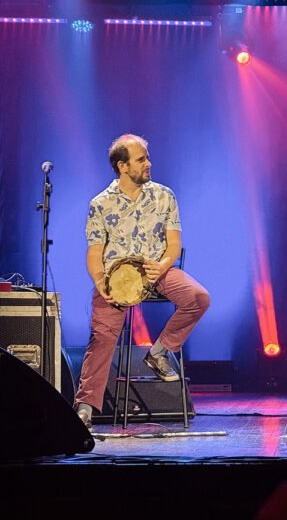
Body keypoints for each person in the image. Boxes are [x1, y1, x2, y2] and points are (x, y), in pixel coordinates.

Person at [74, 133, 210, 429]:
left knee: (198, 298)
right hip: (117, 277)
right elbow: (94, 252)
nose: (148, 164)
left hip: (156, 270)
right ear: (123, 166)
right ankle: (85, 408)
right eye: (141, 159)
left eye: (147, 158)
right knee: (102, 336)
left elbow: (174, 244)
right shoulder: (101, 203)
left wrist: (161, 265)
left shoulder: (164, 195)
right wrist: (100, 281)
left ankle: (159, 352)